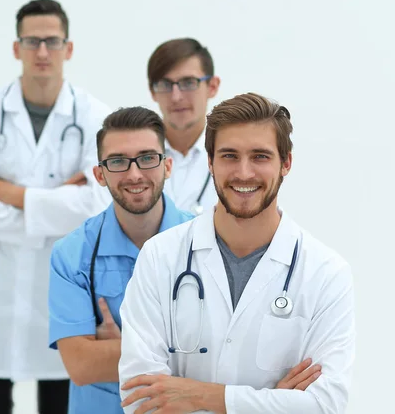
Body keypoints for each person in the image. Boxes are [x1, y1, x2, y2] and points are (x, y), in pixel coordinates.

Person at [118, 93, 356, 413]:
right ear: (210, 162)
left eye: (260, 156)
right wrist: (275, 402)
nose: (244, 173)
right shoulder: (160, 257)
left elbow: (326, 405)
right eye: (229, 156)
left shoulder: (326, 274)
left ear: (285, 162)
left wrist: (202, 396)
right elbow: (141, 400)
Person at [0, 0, 111, 414]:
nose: (42, 51)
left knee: (59, 401)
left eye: (52, 41)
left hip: (62, 290)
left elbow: (96, 205)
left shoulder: (94, 116)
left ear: (68, 48)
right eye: (32, 41)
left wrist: (12, 194)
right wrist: (61, 202)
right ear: (16, 47)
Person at [47, 107, 194, 414]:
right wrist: (181, 352)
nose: (134, 174)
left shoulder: (206, 245)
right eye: (117, 162)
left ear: (168, 165)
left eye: (147, 158)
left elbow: (225, 357)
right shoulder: (72, 255)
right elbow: (82, 365)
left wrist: (121, 346)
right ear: (100, 175)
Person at [147, 38, 220, 215]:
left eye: (188, 83)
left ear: (212, 87)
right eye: (165, 84)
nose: (176, 97)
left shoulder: (231, 156)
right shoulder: (133, 158)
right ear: (153, 92)